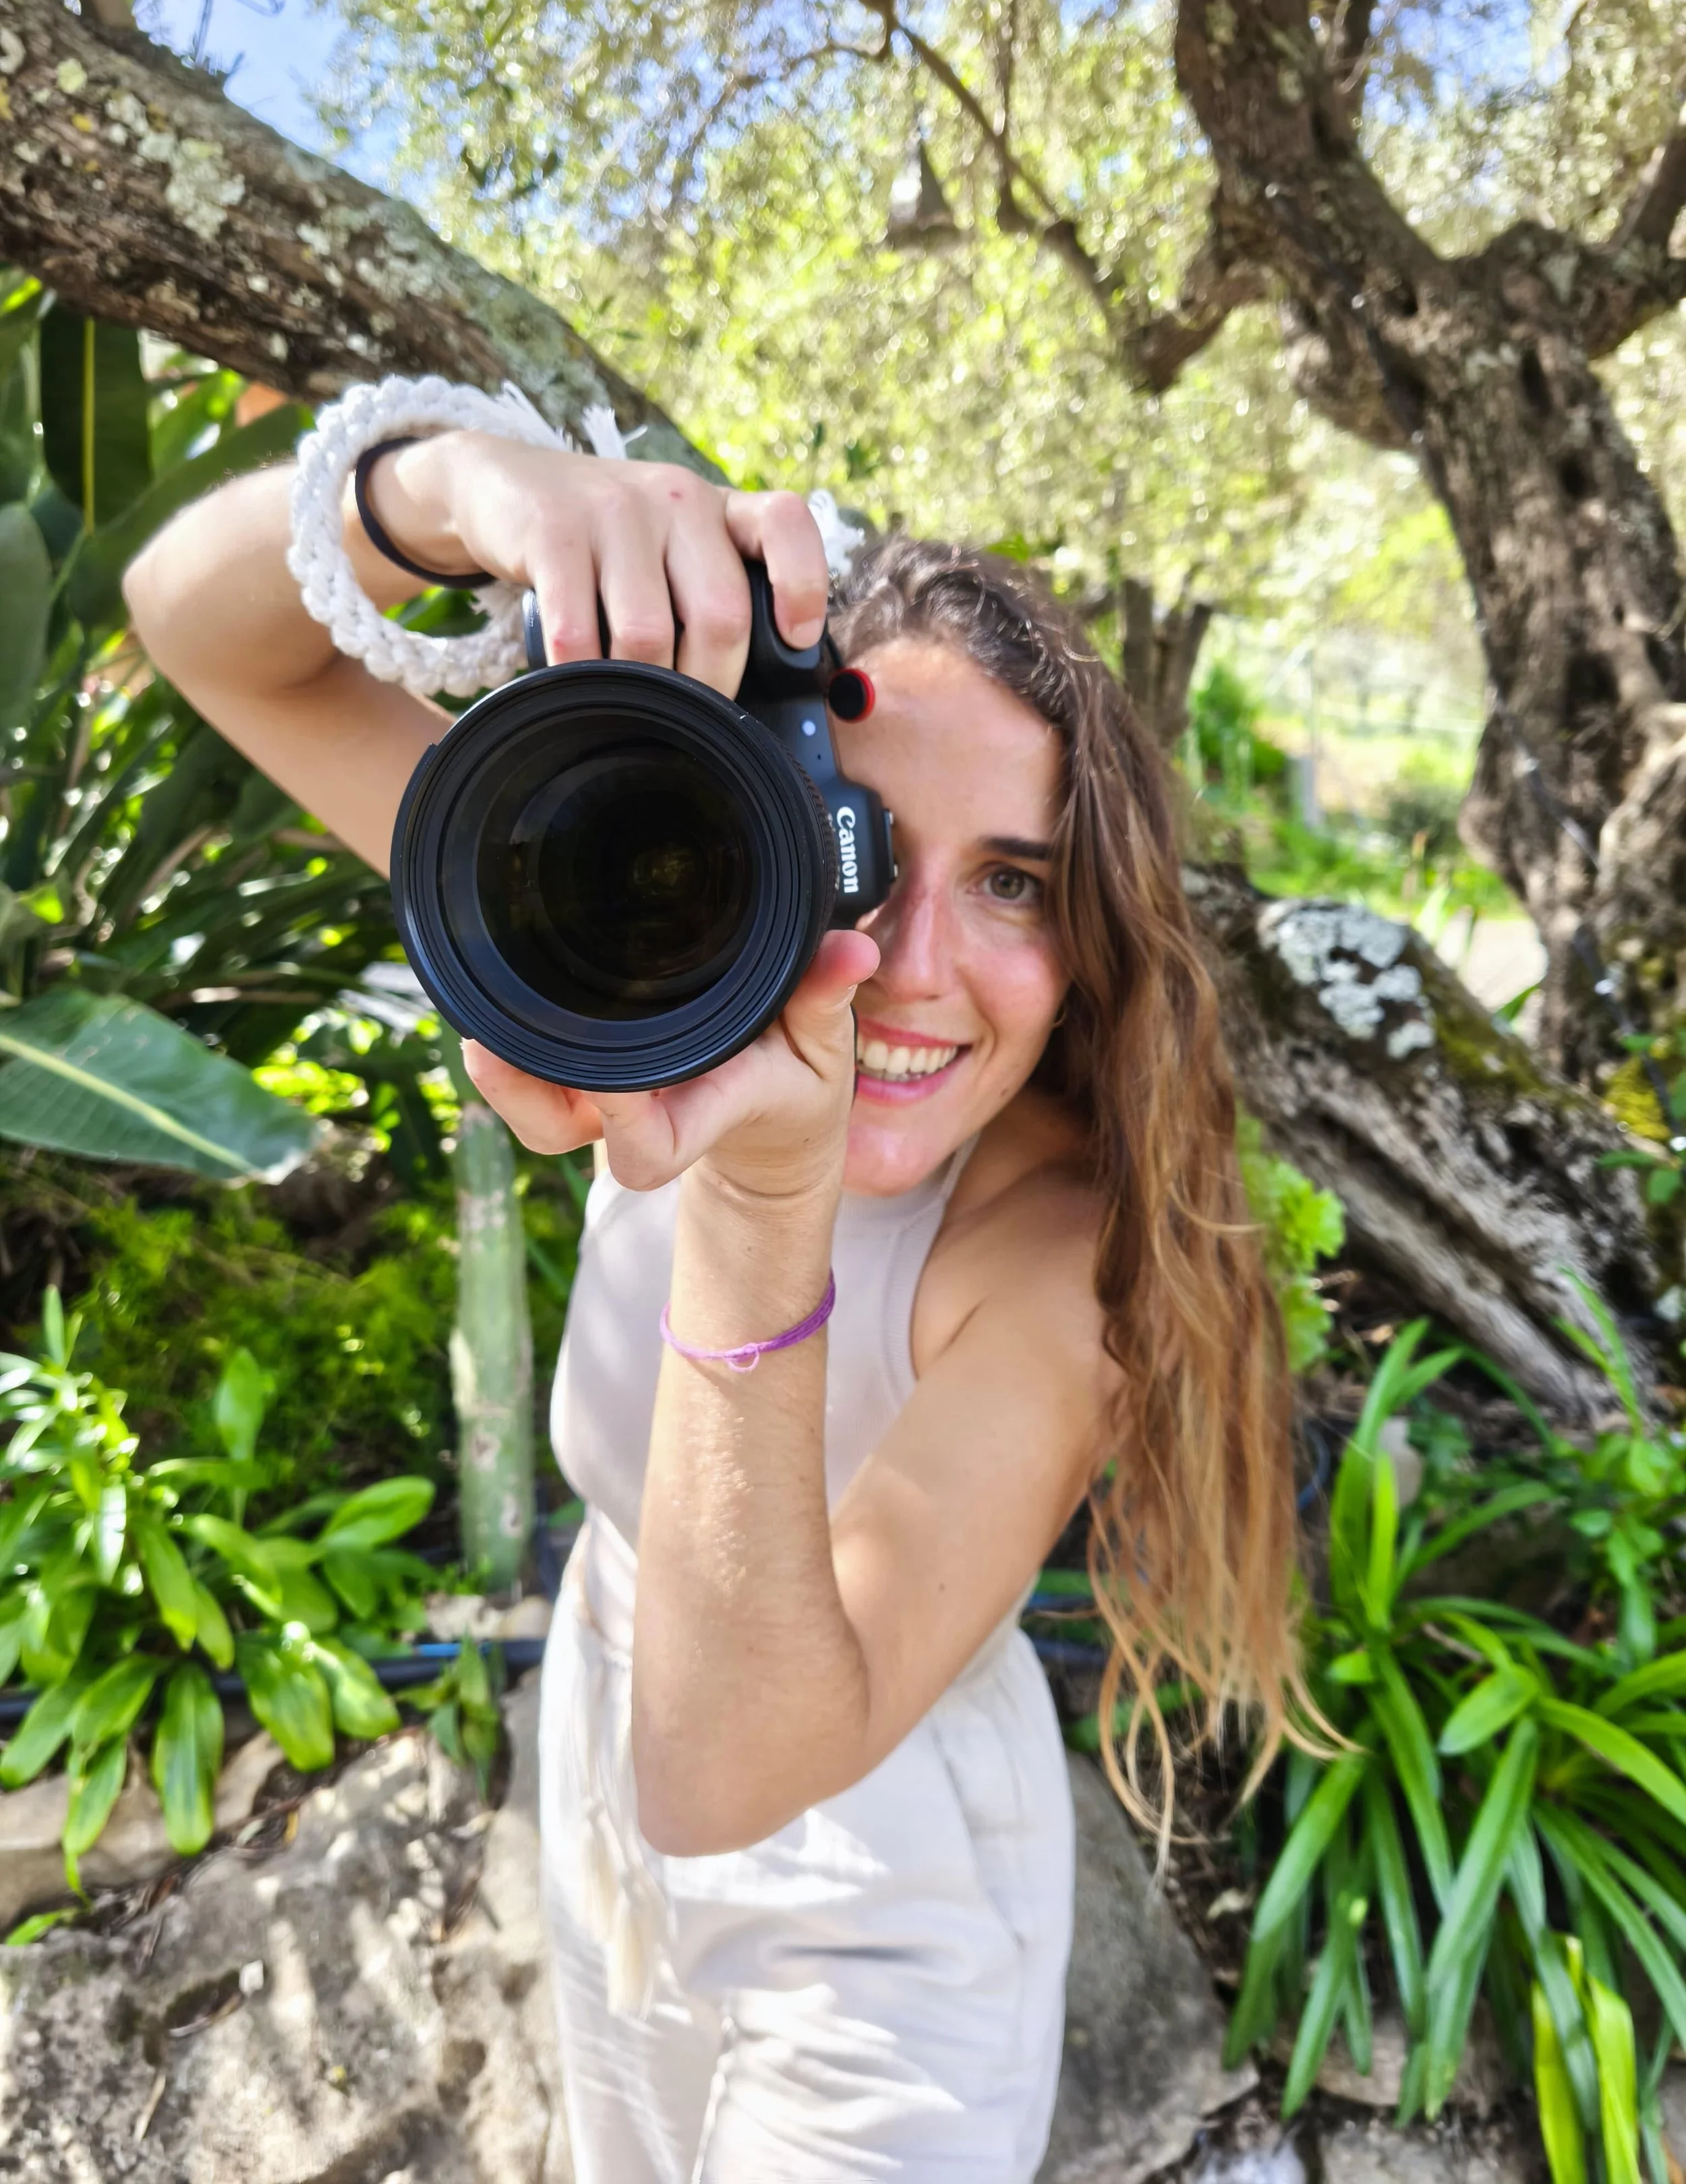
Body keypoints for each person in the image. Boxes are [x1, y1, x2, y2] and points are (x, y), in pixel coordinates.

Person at [125, 414, 1302, 2182]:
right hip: (600, 1741)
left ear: (1088, 936)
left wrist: (765, 1194)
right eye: (858, 838)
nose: (905, 965)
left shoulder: (1054, 1261)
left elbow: (733, 1761)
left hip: (873, 1902)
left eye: (1010, 882)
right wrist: (451, 490)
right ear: (738, 821)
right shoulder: (660, 964)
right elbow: (194, 623)